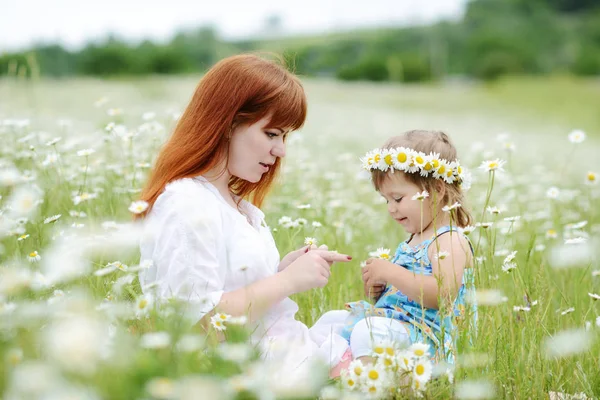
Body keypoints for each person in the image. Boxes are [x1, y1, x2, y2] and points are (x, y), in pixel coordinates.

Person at [136, 54, 352, 371]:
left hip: (286, 355)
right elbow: (195, 327)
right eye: (271, 133)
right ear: (228, 123)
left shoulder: (236, 206)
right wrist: (288, 281)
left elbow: (237, 294)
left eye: (284, 136)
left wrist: (281, 271)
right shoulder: (186, 204)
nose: (281, 151)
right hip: (249, 375)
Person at [340, 129, 477, 365]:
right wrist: (379, 290)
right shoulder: (415, 238)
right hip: (406, 328)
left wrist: (390, 272)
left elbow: (442, 296)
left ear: (436, 190)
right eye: (386, 200)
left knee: (367, 332)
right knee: (335, 321)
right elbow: (406, 296)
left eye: (398, 199)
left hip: (432, 340)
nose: (391, 208)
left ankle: (369, 385)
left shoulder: (450, 240)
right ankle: (328, 375)